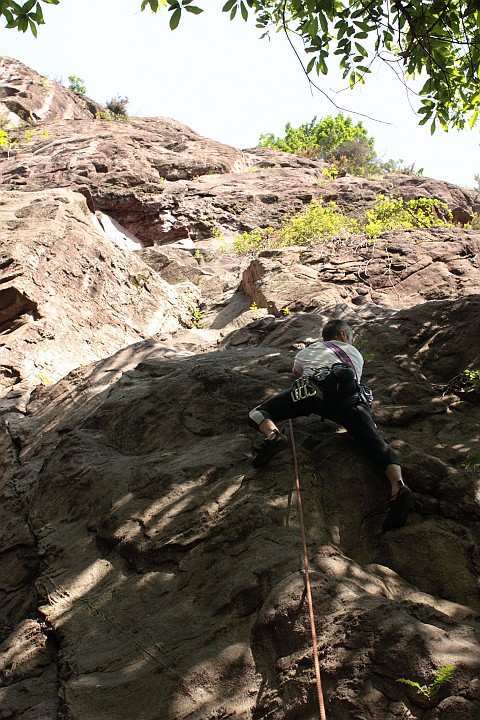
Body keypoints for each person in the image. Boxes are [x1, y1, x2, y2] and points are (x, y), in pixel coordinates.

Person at [248, 319, 413, 531]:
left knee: (257, 413)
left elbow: (297, 373)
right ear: (343, 335)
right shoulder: (354, 353)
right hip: (351, 397)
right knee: (376, 444)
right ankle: (397, 486)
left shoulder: (311, 349)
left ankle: (274, 436)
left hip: (314, 391)